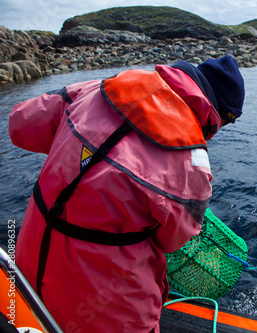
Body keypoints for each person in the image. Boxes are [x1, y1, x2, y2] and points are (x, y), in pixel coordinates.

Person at [8, 55, 245, 332]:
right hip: (108, 311)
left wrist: (81, 152)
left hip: (30, 270)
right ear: (217, 116)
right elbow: (173, 241)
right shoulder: (193, 163)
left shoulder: (101, 88)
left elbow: (20, 124)